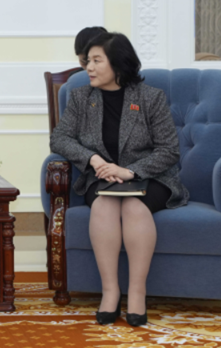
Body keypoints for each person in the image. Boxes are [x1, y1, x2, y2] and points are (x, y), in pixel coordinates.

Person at [50, 32, 188, 327]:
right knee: (104, 205)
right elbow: (59, 138)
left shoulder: (150, 98)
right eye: (88, 61)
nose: (88, 67)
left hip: (150, 177)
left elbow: (169, 150)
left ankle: (137, 292)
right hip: (101, 178)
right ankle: (110, 291)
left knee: (134, 206)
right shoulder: (81, 97)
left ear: (118, 64)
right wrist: (94, 159)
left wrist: (131, 171)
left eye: (96, 61)